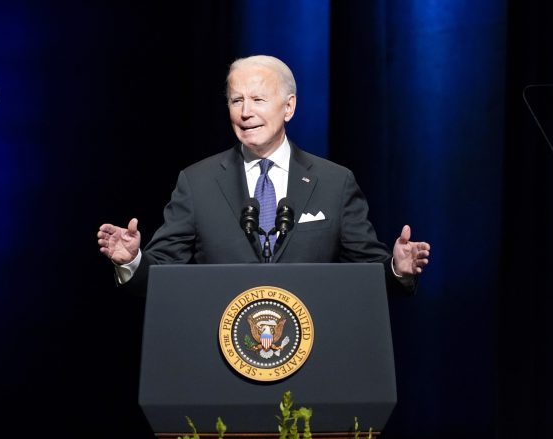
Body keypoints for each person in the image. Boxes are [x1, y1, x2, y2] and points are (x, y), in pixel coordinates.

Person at [97, 55, 429, 294]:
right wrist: (133, 261)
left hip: (312, 363)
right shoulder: (197, 183)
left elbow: (368, 273)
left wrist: (396, 269)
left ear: (289, 107)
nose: (245, 112)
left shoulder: (334, 183)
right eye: (236, 100)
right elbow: (163, 275)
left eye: (257, 99)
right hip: (222, 363)